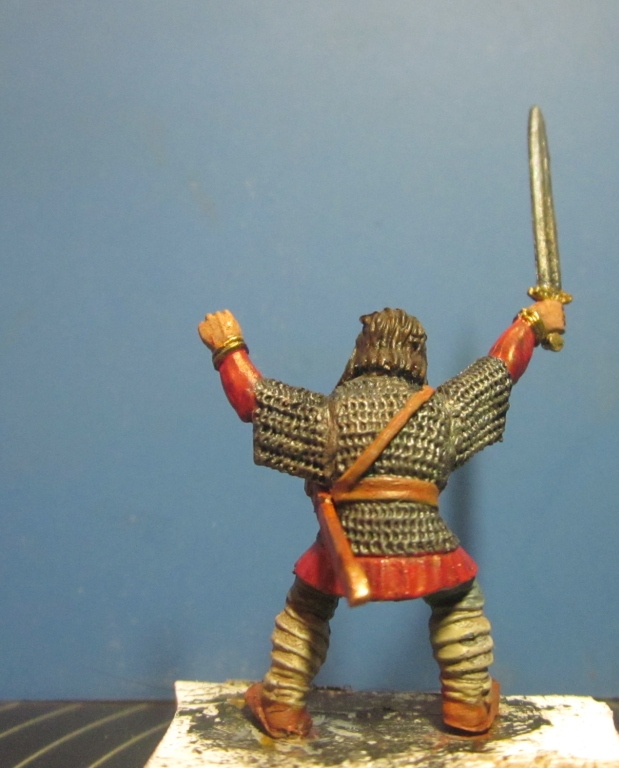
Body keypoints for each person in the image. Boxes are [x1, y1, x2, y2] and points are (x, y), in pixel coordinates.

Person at [198, 299, 565, 738]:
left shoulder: (332, 412)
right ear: (417, 354)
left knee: (308, 610)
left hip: (345, 542)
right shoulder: (442, 411)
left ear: (363, 350)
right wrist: (530, 323)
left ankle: (281, 706)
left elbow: (257, 401)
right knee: (457, 603)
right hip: (427, 542)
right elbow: (499, 370)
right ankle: (467, 704)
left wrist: (229, 348)